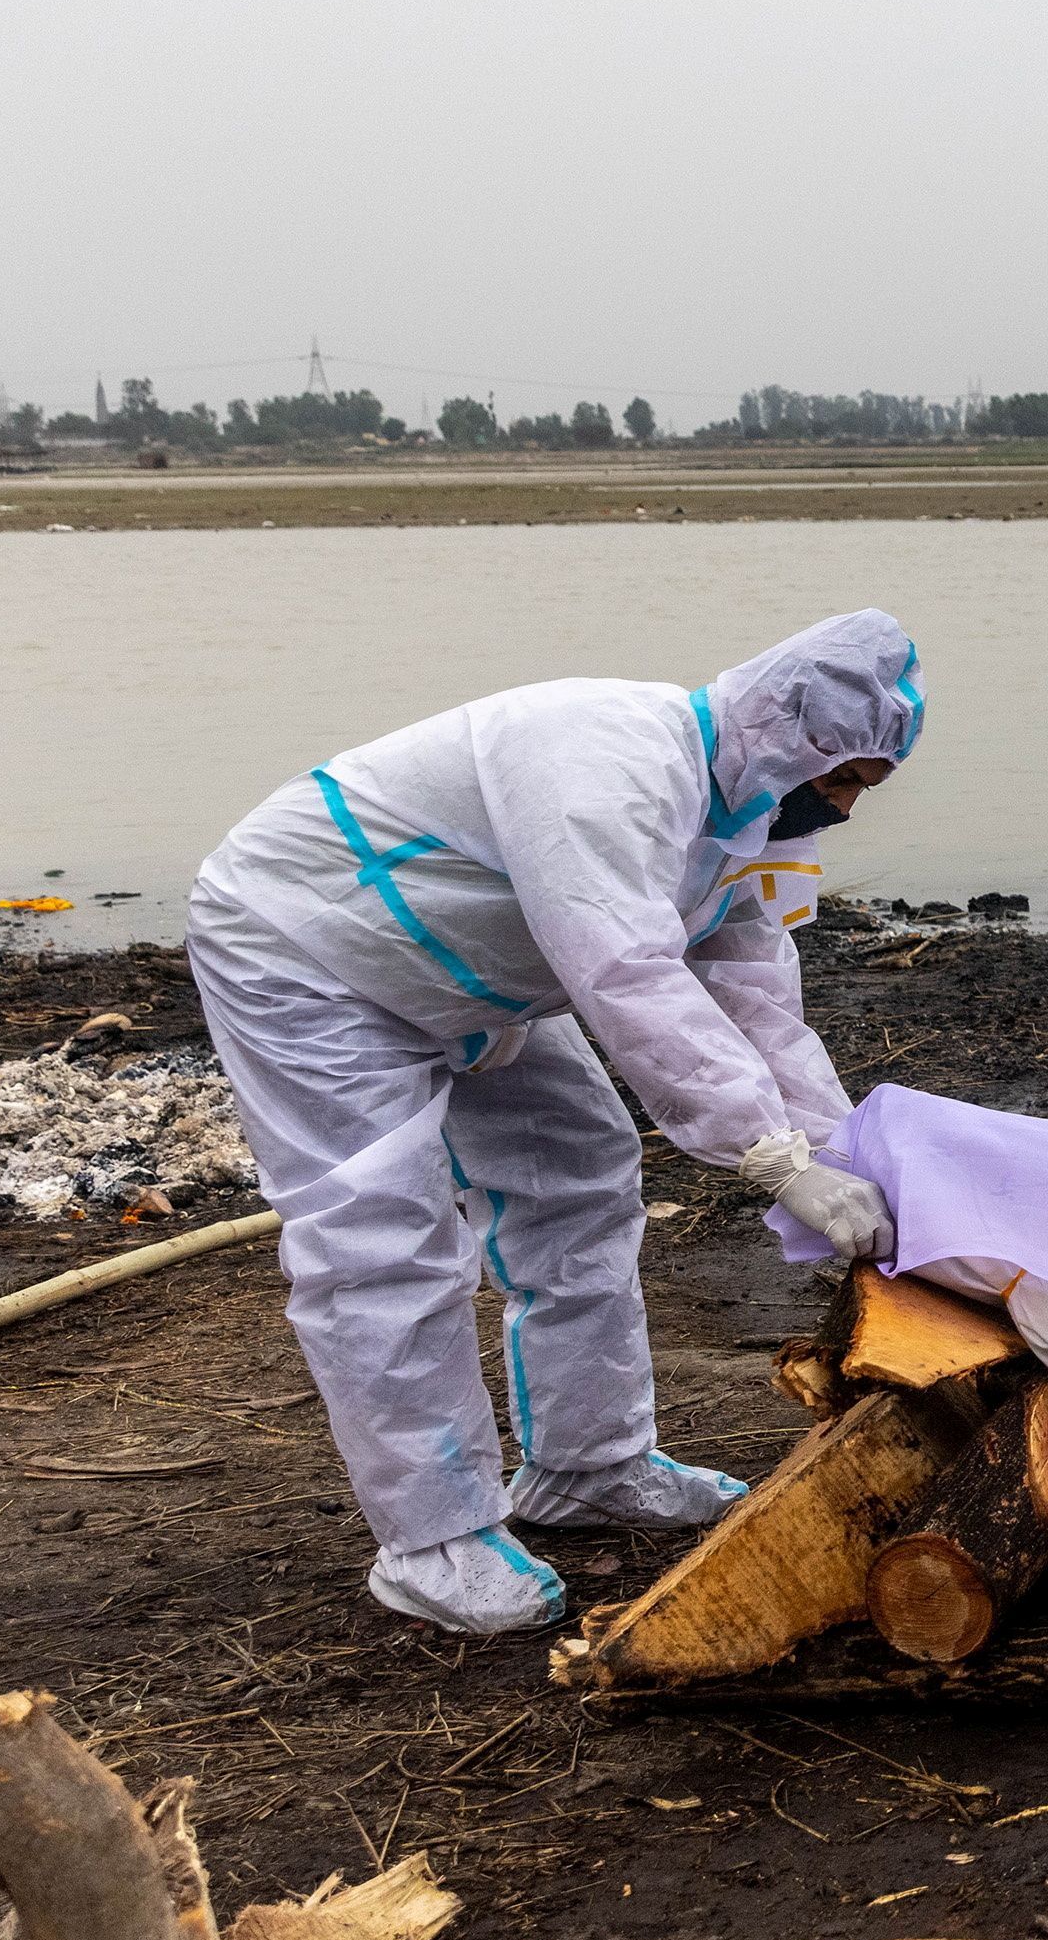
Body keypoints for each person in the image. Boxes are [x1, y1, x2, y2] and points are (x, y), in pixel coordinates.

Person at [188, 612, 925, 1634]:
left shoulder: (755, 814)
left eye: (863, 787)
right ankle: (433, 1538)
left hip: (478, 974)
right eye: (842, 775)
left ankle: (587, 1465)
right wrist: (773, 1158)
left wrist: (844, 1154)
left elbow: (754, 993)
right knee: (381, 1236)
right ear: (787, 730)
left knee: (579, 1167)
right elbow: (624, 972)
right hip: (313, 953)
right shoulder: (608, 757)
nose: (842, 807)